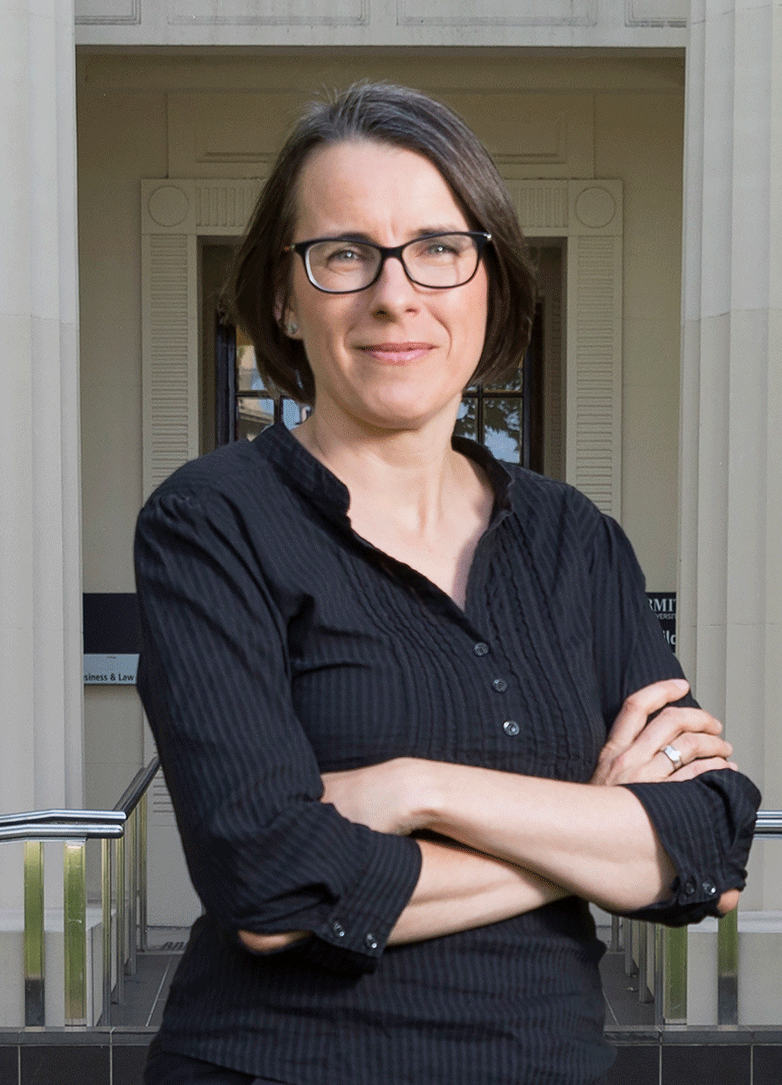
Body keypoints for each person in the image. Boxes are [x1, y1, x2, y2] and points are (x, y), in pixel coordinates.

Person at [135, 82, 760, 1085]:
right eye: (344, 254)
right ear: (285, 299)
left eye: (437, 247)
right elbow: (267, 885)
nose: (395, 294)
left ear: (489, 285)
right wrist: (588, 826)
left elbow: (707, 847)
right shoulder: (212, 521)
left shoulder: (574, 540)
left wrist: (412, 789)